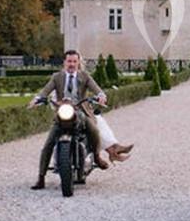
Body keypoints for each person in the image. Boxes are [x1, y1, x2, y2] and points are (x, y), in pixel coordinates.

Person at [27, 51, 133, 190]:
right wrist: (37, 99)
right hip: (62, 111)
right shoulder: (57, 77)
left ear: (78, 63)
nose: (71, 64)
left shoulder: (84, 76)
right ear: (64, 62)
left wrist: (101, 96)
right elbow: (45, 91)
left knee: (94, 130)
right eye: (69, 61)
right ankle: (41, 178)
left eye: (74, 61)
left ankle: (96, 156)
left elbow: (97, 89)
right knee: (48, 143)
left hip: (80, 111)